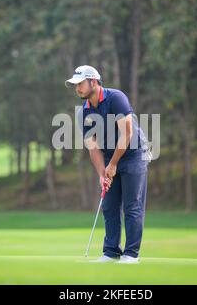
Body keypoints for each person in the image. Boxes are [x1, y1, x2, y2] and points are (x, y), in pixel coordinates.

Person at [65, 65, 151, 264]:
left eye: (80, 84)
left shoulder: (116, 98)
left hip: (133, 154)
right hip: (110, 157)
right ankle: (111, 252)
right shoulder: (84, 112)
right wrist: (102, 173)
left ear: (93, 82)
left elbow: (127, 134)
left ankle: (131, 254)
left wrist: (112, 165)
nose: (77, 88)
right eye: (75, 85)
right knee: (109, 205)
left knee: (132, 206)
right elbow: (93, 146)